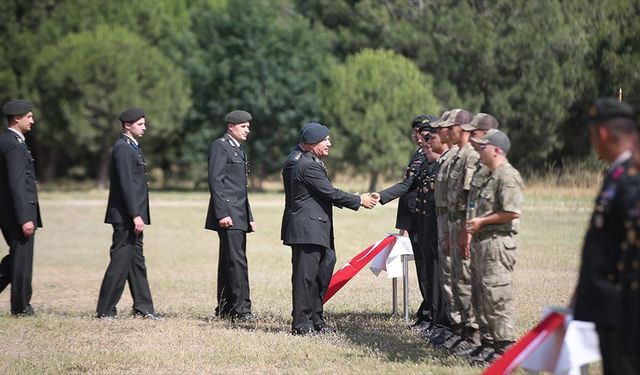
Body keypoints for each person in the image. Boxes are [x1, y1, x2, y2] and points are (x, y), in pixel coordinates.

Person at [283, 123, 378, 335]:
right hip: (307, 230)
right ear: (312, 143)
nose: (329, 143)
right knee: (305, 278)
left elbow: (323, 193)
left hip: (317, 228)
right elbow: (330, 193)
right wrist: (358, 200)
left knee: (321, 273)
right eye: (325, 140)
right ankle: (301, 324)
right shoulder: (307, 164)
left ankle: (315, 320)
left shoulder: (310, 160)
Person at [571, 98, 638, 375]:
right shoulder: (617, 173)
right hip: (609, 306)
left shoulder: (631, 179)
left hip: (625, 308)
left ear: (601, 133)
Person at [376, 120, 451, 332]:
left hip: (435, 226)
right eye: (420, 135)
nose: (422, 140)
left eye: (427, 138)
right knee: (425, 272)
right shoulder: (423, 158)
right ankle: (430, 317)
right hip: (421, 223)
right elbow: (409, 185)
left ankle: (438, 320)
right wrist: (381, 196)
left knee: (436, 274)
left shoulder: (442, 162)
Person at [466, 129, 524, 363]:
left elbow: (511, 211)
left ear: (497, 150)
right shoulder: (489, 175)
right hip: (483, 242)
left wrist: (482, 221)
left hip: (498, 244)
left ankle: (505, 346)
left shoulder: (507, 176)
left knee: (497, 294)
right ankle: (489, 342)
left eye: (484, 147)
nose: (480, 150)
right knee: (481, 293)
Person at [97, 107, 160, 319]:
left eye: (144, 123)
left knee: (136, 262)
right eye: (140, 124)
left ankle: (144, 308)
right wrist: (135, 214)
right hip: (126, 218)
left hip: (133, 216)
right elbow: (126, 185)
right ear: (127, 125)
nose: (144, 127)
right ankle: (105, 311)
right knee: (120, 262)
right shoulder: (123, 148)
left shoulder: (132, 147)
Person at [205, 110, 257, 322]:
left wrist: (249, 216)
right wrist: (222, 213)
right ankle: (241, 310)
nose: (247, 130)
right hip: (229, 215)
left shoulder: (238, 149)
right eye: (243, 126)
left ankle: (225, 308)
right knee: (237, 262)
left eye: (248, 126)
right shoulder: (221, 146)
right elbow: (216, 182)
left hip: (239, 214)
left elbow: (240, 190)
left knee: (230, 260)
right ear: (231, 126)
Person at [439, 108, 479, 351]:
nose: (446, 131)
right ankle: (460, 329)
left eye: (450, 127)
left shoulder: (470, 157)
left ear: (462, 129)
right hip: (451, 222)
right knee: (453, 277)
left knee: (464, 277)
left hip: (462, 223)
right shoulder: (456, 156)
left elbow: (470, 199)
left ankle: (472, 332)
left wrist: (467, 229)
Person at [461, 113, 500, 355]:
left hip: (493, 240)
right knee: (475, 288)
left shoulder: (499, 171)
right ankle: (480, 340)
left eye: (474, 133)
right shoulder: (480, 165)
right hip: (475, 234)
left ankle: (498, 345)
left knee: (493, 292)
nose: (471, 139)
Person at [0, 99, 41, 316]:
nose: (32, 121)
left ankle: (21, 304)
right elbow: (17, 184)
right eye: (29, 117)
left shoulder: (6, 140)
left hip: (8, 212)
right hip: (18, 214)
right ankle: (21, 307)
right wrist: (25, 217)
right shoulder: (14, 144)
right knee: (22, 261)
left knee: (16, 258)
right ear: (17, 118)